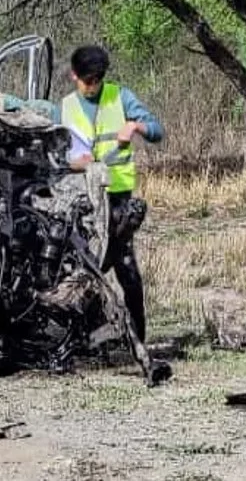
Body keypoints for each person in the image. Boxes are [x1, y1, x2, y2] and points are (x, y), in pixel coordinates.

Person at [54, 45, 163, 343]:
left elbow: (157, 130)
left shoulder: (120, 96)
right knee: (83, 270)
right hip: (81, 202)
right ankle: (80, 337)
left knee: (127, 269)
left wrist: (135, 126)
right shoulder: (63, 107)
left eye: (97, 79)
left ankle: (138, 341)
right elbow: (52, 154)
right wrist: (73, 163)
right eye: (87, 80)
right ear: (74, 75)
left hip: (118, 198)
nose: (92, 86)